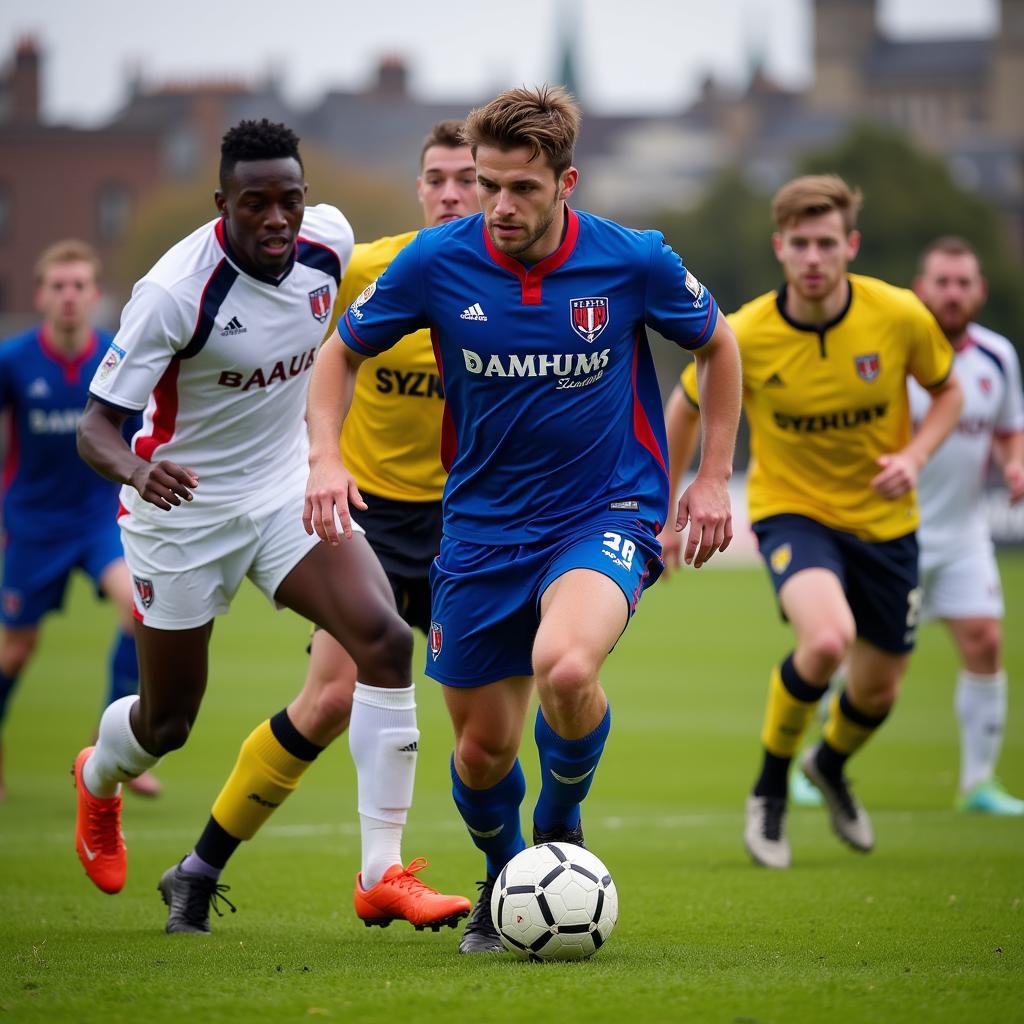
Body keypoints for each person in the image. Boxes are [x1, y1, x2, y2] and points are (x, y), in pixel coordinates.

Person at [304, 86, 743, 953]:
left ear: (566, 182)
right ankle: (510, 883)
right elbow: (339, 354)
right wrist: (325, 456)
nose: (500, 206)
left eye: (523, 189)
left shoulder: (634, 260)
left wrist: (713, 478)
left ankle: (560, 821)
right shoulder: (436, 263)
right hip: (475, 533)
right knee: (478, 756)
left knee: (567, 668)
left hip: (603, 510)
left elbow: (719, 344)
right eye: (488, 184)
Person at [71, 119, 470, 934]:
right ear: (225, 204)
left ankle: (380, 873)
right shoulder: (176, 293)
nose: (277, 219)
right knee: (167, 722)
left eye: (290, 199)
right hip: (182, 513)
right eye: (256, 204)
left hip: (286, 487)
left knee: (386, 643)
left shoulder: (330, 247)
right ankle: (98, 773)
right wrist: (142, 470)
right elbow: (96, 429)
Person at [664, 175, 963, 869]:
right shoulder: (745, 333)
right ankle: (770, 790)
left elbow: (947, 393)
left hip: (887, 521)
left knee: (880, 688)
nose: (814, 258)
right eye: (800, 244)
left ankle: (828, 766)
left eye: (827, 243)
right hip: (791, 513)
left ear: (850, 245)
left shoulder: (899, 315)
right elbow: (684, 404)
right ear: (780, 248)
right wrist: (671, 505)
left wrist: (916, 456)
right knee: (828, 641)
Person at [0, 240, 158, 801]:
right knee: (17, 648)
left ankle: (112, 744)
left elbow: (145, 436)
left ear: (95, 296)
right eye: (58, 287)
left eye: (79, 287)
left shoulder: (117, 358)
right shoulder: (13, 361)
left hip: (99, 520)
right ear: (41, 296)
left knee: (137, 610)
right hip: (32, 525)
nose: (69, 297)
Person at [911, 236, 1024, 815]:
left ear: (980, 292)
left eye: (963, 283)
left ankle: (978, 784)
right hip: (890, 535)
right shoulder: (895, 351)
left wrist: (1015, 463)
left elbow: (1008, 428)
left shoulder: (998, 357)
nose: (953, 294)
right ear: (920, 289)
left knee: (986, 641)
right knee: (860, 661)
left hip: (963, 535)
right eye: (942, 282)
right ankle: (816, 764)